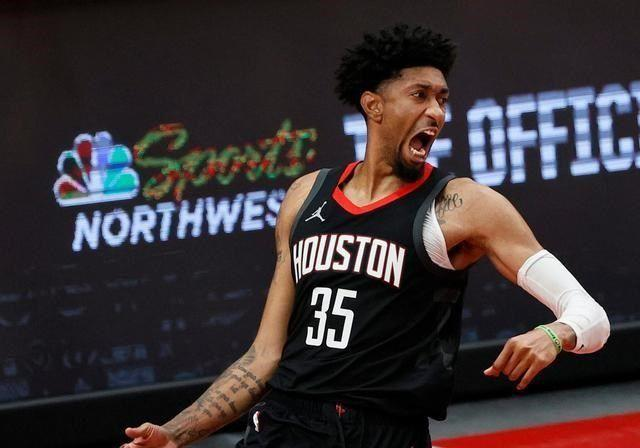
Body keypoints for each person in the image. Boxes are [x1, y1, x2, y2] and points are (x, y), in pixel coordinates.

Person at [121, 24, 610, 448]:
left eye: (442, 99)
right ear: (374, 105)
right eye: (420, 95)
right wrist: (175, 433)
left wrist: (554, 335)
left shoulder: (463, 205)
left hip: (387, 431)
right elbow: (264, 355)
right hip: (289, 423)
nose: (437, 112)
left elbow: (591, 316)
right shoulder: (305, 196)